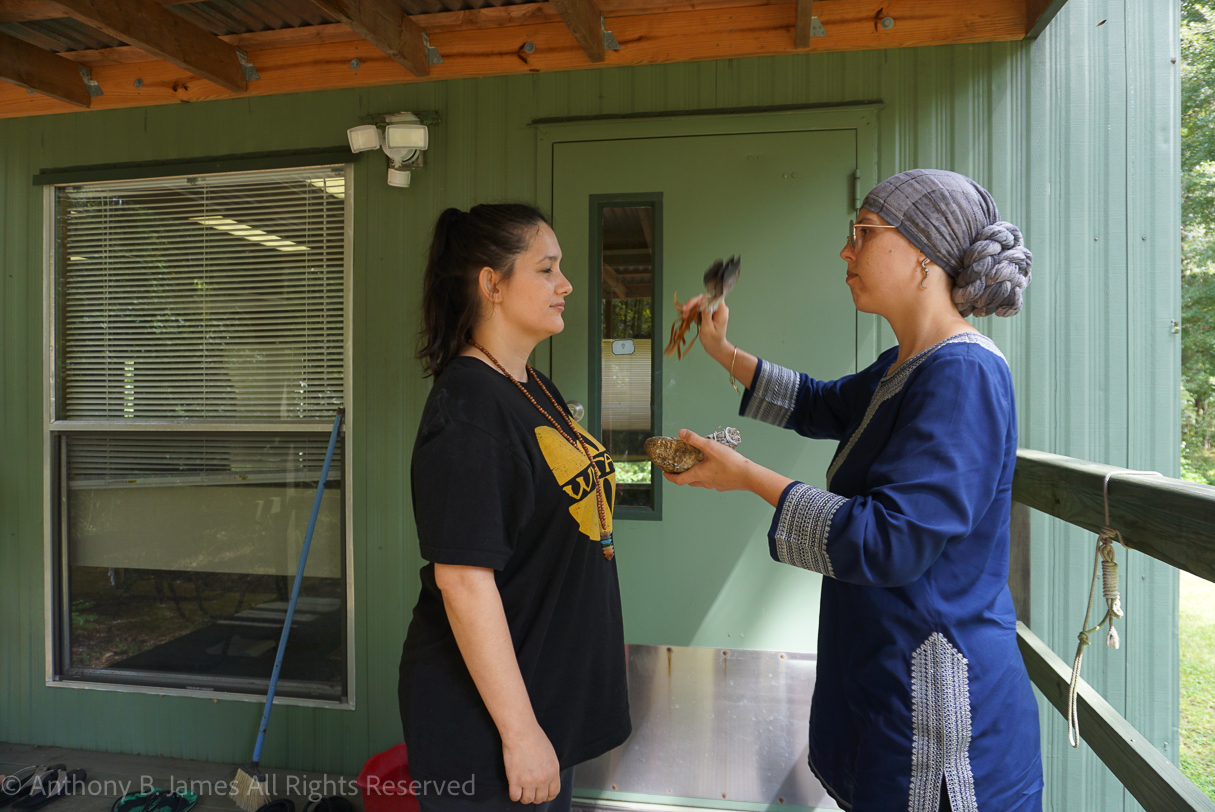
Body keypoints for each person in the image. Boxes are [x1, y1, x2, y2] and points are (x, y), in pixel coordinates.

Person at [666, 170, 1043, 812]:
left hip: (941, 723)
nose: (846, 251)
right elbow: (817, 403)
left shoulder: (964, 374)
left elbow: (890, 542)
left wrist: (744, 476)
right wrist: (722, 349)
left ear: (923, 254)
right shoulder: (906, 363)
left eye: (863, 233)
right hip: (890, 676)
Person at [399, 204, 631, 812]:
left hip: (544, 698)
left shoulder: (530, 384)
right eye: (546, 269)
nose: (566, 285)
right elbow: (463, 581)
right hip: (491, 725)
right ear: (492, 284)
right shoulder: (469, 408)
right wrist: (521, 733)